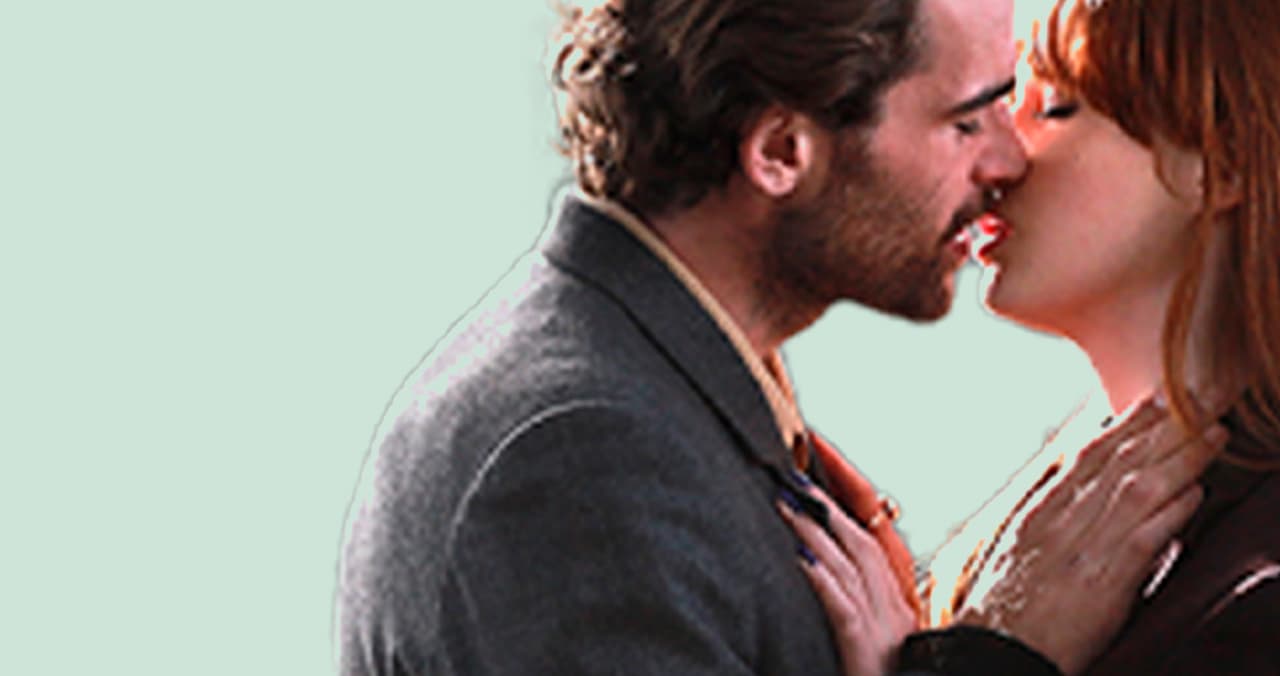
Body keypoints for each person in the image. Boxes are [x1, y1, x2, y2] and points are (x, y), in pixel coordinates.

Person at [333, 0, 1224, 674]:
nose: (1008, 159)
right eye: (966, 120)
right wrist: (993, 655)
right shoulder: (583, 458)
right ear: (781, 154)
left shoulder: (656, 394)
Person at [791, 0, 1280, 673]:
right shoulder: (1092, 525)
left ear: (1223, 164)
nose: (998, 157)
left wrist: (979, 661)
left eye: (1055, 108)